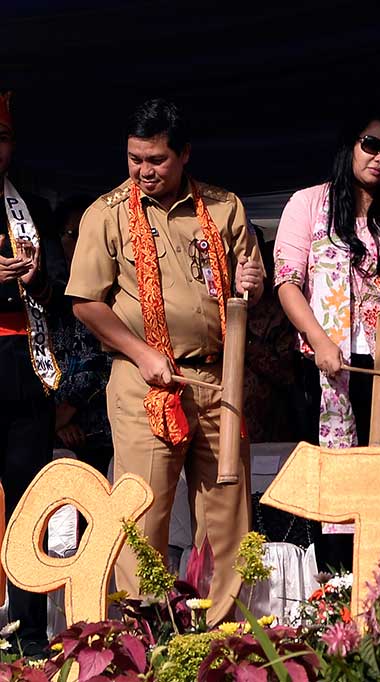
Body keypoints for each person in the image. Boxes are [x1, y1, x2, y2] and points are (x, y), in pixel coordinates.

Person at [67, 99, 264, 624]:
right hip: (144, 381)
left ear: (184, 154)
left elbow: (250, 280)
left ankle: (224, 636)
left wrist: (252, 282)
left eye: (156, 159)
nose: (143, 170)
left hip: (218, 376)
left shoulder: (223, 206)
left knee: (227, 511)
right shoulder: (107, 213)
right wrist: (141, 352)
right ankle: (144, 636)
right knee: (144, 513)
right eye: (135, 159)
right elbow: (86, 302)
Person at [273, 110, 380, 571]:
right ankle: (335, 589)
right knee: (334, 482)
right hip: (327, 365)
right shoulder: (308, 204)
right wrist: (319, 341)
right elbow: (287, 282)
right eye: (371, 145)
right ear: (350, 145)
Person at [0, 91, 61, 654]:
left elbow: (61, 292)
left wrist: (36, 277)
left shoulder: (34, 209)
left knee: (28, 501)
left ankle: (32, 635)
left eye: (1, 138)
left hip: (25, 366)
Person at [52, 196, 114, 476]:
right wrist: (55, 421)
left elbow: (107, 360)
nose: (81, 243)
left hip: (102, 429)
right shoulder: (47, 293)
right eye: (72, 234)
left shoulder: (116, 293)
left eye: (87, 234)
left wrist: (68, 409)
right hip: (52, 426)